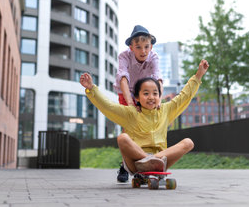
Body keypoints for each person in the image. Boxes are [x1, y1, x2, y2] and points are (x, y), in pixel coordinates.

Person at [80, 59, 209, 176]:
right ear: (137, 97)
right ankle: (147, 160)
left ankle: (153, 161)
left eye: (155, 93)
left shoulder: (166, 110)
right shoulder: (130, 113)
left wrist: (198, 75)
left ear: (159, 96)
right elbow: (107, 106)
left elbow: (184, 96)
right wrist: (91, 89)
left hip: (160, 160)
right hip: (136, 163)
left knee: (188, 143)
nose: (151, 97)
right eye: (146, 93)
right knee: (122, 138)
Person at [114, 25, 163, 182]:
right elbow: (123, 77)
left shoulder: (153, 57)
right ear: (131, 47)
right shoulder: (124, 56)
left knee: (143, 128)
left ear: (151, 46)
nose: (143, 51)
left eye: (146, 47)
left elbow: (158, 78)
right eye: (138, 47)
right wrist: (129, 102)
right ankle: (125, 165)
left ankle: (142, 164)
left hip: (143, 93)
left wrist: (159, 99)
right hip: (126, 92)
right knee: (129, 129)